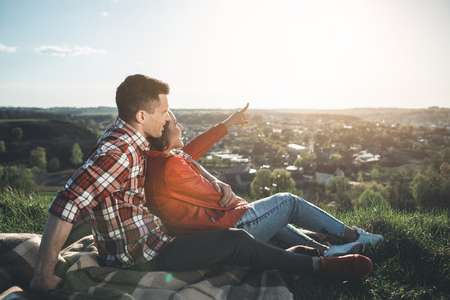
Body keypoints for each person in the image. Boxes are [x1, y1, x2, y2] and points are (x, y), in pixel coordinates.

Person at [30, 75, 373, 296]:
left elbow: (185, 154)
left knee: (244, 238)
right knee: (238, 239)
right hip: (144, 253)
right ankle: (321, 265)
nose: (167, 117)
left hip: (156, 237)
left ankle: (317, 253)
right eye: (164, 111)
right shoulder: (120, 149)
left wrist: (218, 153)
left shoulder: (126, 136)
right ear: (142, 116)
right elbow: (68, 202)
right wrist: (43, 275)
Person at [145, 105, 384, 257]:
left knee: (274, 217)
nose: (181, 126)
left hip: (210, 229)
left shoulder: (161, 160)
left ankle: (327, 252)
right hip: (229, 229)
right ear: (163, 131)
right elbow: (220, 197)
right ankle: (354, 236)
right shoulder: (171, 166)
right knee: (287, 203)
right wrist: (223, 190)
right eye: (176, 124)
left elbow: (190, 150)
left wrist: (228, 123)